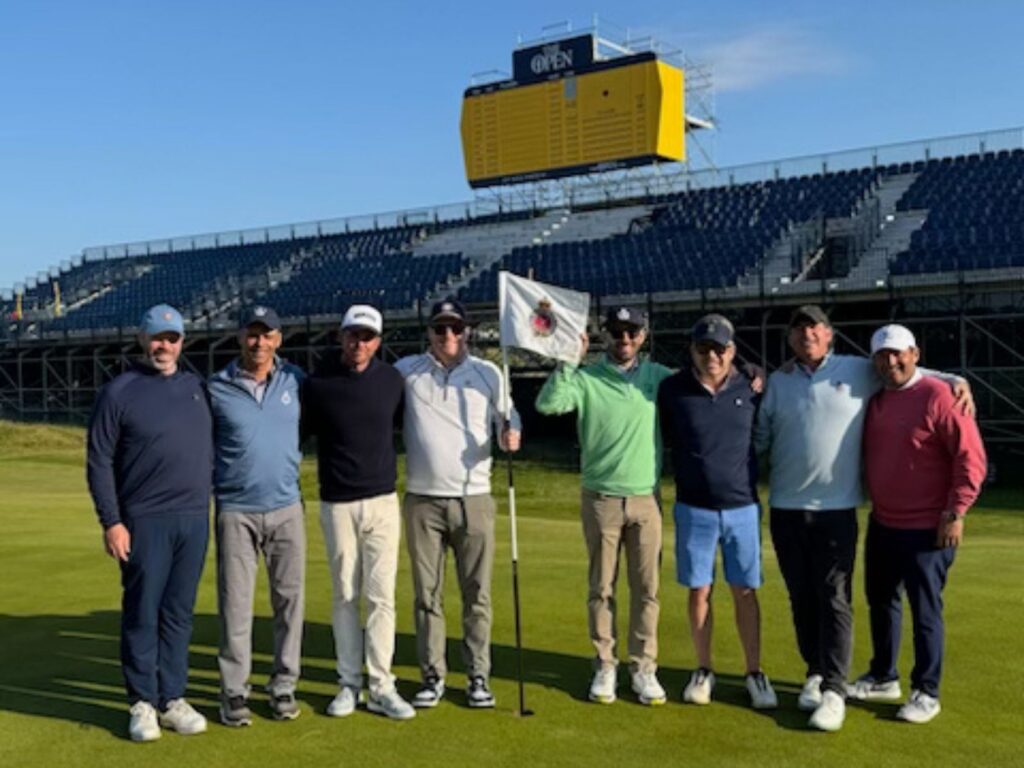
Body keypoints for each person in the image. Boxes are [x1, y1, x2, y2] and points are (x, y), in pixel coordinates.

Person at [754, 305, 973, 732]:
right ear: (791, 339)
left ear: (829, 333)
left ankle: (835, 689)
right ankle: (816, 672)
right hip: (785, 508)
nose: (806, 334)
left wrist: (956, 379)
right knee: (802, 597)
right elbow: (760, 436)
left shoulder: (858, 369)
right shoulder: (779, 381)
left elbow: (909, 372)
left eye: (814, 326)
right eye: (798, 329)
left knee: (834, 597)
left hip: (837, 510)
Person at [86, 304, 212, 742]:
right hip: (143, 520)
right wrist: (112, 521)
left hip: (194, 518)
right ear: (143, 339)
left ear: (182, 342)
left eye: (172, 338)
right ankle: (141, 702)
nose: (164, 345)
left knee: (178, 614)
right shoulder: (120, 391)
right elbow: (99, 459)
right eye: (157, 337)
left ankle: (171, 698)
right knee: (142, 612)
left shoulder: (196, 386)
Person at [850, 324, 986, 724]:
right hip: (884, 522)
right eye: (882, 355)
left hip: (930, 527)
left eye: (897, 353)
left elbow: (970, 460)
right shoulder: (876, 396)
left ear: (914, 353)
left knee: (925, 611)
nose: (890, 361)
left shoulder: (940, 396)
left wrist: (955, 512)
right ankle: (882, 676)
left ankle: (927, 691)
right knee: (881, 602)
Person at [535, 306, 670, 706]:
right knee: (602, 588)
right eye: (615, 332)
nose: (623, 339)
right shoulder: (586, 378)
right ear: (604, 337)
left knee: (647, 589)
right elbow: (548, 404)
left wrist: (749, 371)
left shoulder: (657, 378)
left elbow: (700, 383)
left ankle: (644, 667)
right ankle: (605, 664)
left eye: (631, 333)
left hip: (645, 498)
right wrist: (568, 362)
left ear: (642, 336)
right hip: (600, 499)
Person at [395, 298, 521, 710]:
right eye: (439, 328)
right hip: (422, 500)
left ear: (466, 331)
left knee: (477, 594)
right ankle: (432, 676)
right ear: (429, 332)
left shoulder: (489, 373)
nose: (447, 335)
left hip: (475, 498)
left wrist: (511, 433)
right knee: (427, 596)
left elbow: (510, 416)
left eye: (454, 328)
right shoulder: (407, 372)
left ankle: (478, 676)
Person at [657, 314, 777, 710]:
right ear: (692, 350)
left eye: (720, 348)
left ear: (733, 351)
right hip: (694, 509)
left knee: (745, 590)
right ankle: (704, 668)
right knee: (700, 590)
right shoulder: (672, 389)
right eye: (704, 348)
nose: (713, 355)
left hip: (742, 507)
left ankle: (754, 671)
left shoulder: (752, 385)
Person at [303, 305, 415, 720]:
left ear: (378, 341)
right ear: (341, 336)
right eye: (353, 335)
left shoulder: (392, 381)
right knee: (345, 596)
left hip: (384, 502)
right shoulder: (317, 384)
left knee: (381, 597)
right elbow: (298, 434)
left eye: (367, 336)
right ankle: (348, 683)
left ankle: (382, 685)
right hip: (337, 504)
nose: (359, 343)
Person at [209, 305, 306, 726]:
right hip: (236, 510)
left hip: (287, 507)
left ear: (278, 339)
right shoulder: (216, 387)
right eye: (252, 334)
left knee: (290, 603)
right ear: (240, 337)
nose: (259, 342)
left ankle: (284, 685)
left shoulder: (296, 381)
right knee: (236, 605)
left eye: (267, 334)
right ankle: (234, 691)